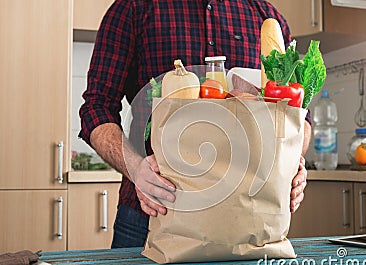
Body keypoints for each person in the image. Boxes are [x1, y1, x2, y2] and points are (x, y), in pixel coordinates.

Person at [79, 0, 311, 248]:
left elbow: (297, 118)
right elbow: (96, 106)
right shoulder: (134, 8)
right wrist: (136, 169)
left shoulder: (267, 18)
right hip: (153, 213)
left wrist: (291, 164)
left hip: (249, 219)